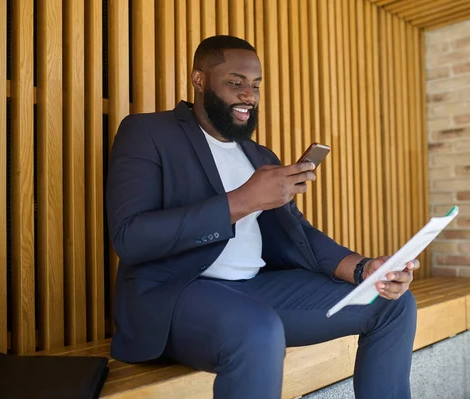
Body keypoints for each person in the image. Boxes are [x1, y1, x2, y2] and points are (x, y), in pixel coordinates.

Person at [106, 35, 419, 399]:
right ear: (199, 80)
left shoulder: (259, 155)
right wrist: (241, 201)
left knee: (391, 304)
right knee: (259, 328)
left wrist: (364, 269)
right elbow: (130, 237)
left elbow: (296, 233)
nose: (249, 96)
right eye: (235, 83)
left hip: (255, 291)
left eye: (255, 86)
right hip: (175, 295)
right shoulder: (148, 132)